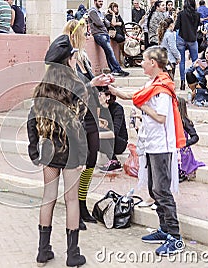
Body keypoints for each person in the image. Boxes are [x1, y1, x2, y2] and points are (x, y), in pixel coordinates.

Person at [109, 46, 186, 256]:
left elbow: (160, 117)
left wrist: (143, 108)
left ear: (153, 63)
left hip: (162, 145)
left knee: (162, 190)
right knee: (153, 189)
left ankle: (175, 237)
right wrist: (114, 91)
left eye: (144, 60)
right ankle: (164, 229)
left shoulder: (163, 88)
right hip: (151, 144)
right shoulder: (151, 84)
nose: (141, 63)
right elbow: (135, 96)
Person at [27, 34, 94, 267]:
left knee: (48, 198)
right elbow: (79, 126)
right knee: (72, 200)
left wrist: (34, 150)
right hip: (71, 151)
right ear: (67, 60)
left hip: (49, 151)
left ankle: (43, 251)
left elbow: (31, 120)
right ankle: (73, 254)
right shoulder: (76, 85)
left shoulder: (42, 87)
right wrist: (83, 154)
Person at [63, 19, 116, 231]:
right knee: (80, 162)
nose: (88, 37)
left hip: (90, 115)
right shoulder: (66, 58)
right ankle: (76, 208)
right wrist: (91, 83)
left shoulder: (83, 58)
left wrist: (101, 82)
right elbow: (69, 89)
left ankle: (82, 204)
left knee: (91, 160)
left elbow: (88, 85)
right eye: (85, 33)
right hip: (76, 117)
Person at [88, 0, 129, 76]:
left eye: (102, 2)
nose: (101, 3)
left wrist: (103, 21)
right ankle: (118, 70)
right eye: (99, 1)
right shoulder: (92, 11)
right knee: (110, 51)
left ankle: (114, 70)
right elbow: (99, 23)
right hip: (99, 34)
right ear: (95, 1)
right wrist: (103, 21)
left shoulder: (100, 13)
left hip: (104, 33)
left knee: (108, 52)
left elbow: (108, 24)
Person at [98, 92, 128, 173]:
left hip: (119, 142)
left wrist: (97, 135)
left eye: (99, 95)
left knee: (95, 135)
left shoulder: (117, 109)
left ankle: (114, 161)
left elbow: (114, 133)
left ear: (108, 96)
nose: (97, 97)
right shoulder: (99, 108)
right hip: (106, 141)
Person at [174, 0, 201, 91]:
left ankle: (182, 82)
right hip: (193, 39)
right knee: (195, 61)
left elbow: (177, 26)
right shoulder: (197, 14)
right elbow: (197, 26)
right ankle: (195, 80)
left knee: (182, 61)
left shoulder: (181, 14)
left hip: (182, 37)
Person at [177, 97, 205, 182]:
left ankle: (182, 173)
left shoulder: (185, 121)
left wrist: (185, 143)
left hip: (182, 148)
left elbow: (195, 137)